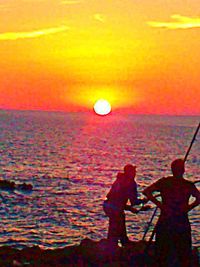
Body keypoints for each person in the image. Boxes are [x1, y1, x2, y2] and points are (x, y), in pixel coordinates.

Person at [143, 159, 200, 267]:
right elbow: (199, 198)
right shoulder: (188, 185)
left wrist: (160, 205)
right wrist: (188, 208)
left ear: (172, 169)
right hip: (181, 221)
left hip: (165, 219)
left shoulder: (164, 182)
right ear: (183, 170)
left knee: (162, 253)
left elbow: (147, 191)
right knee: (183, 253)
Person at [103, 164, 144, 248]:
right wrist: (144, 201)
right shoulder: (131, 183)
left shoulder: (120, 179)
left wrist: (131, 209)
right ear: (130, 173)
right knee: (118, 222)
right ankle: (118, 246)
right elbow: (134, 201)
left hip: (108, 205)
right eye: (133, 171)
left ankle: (117, 244)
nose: (135, 173)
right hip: (115, 208)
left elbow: (116, 200)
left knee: (116, 224)